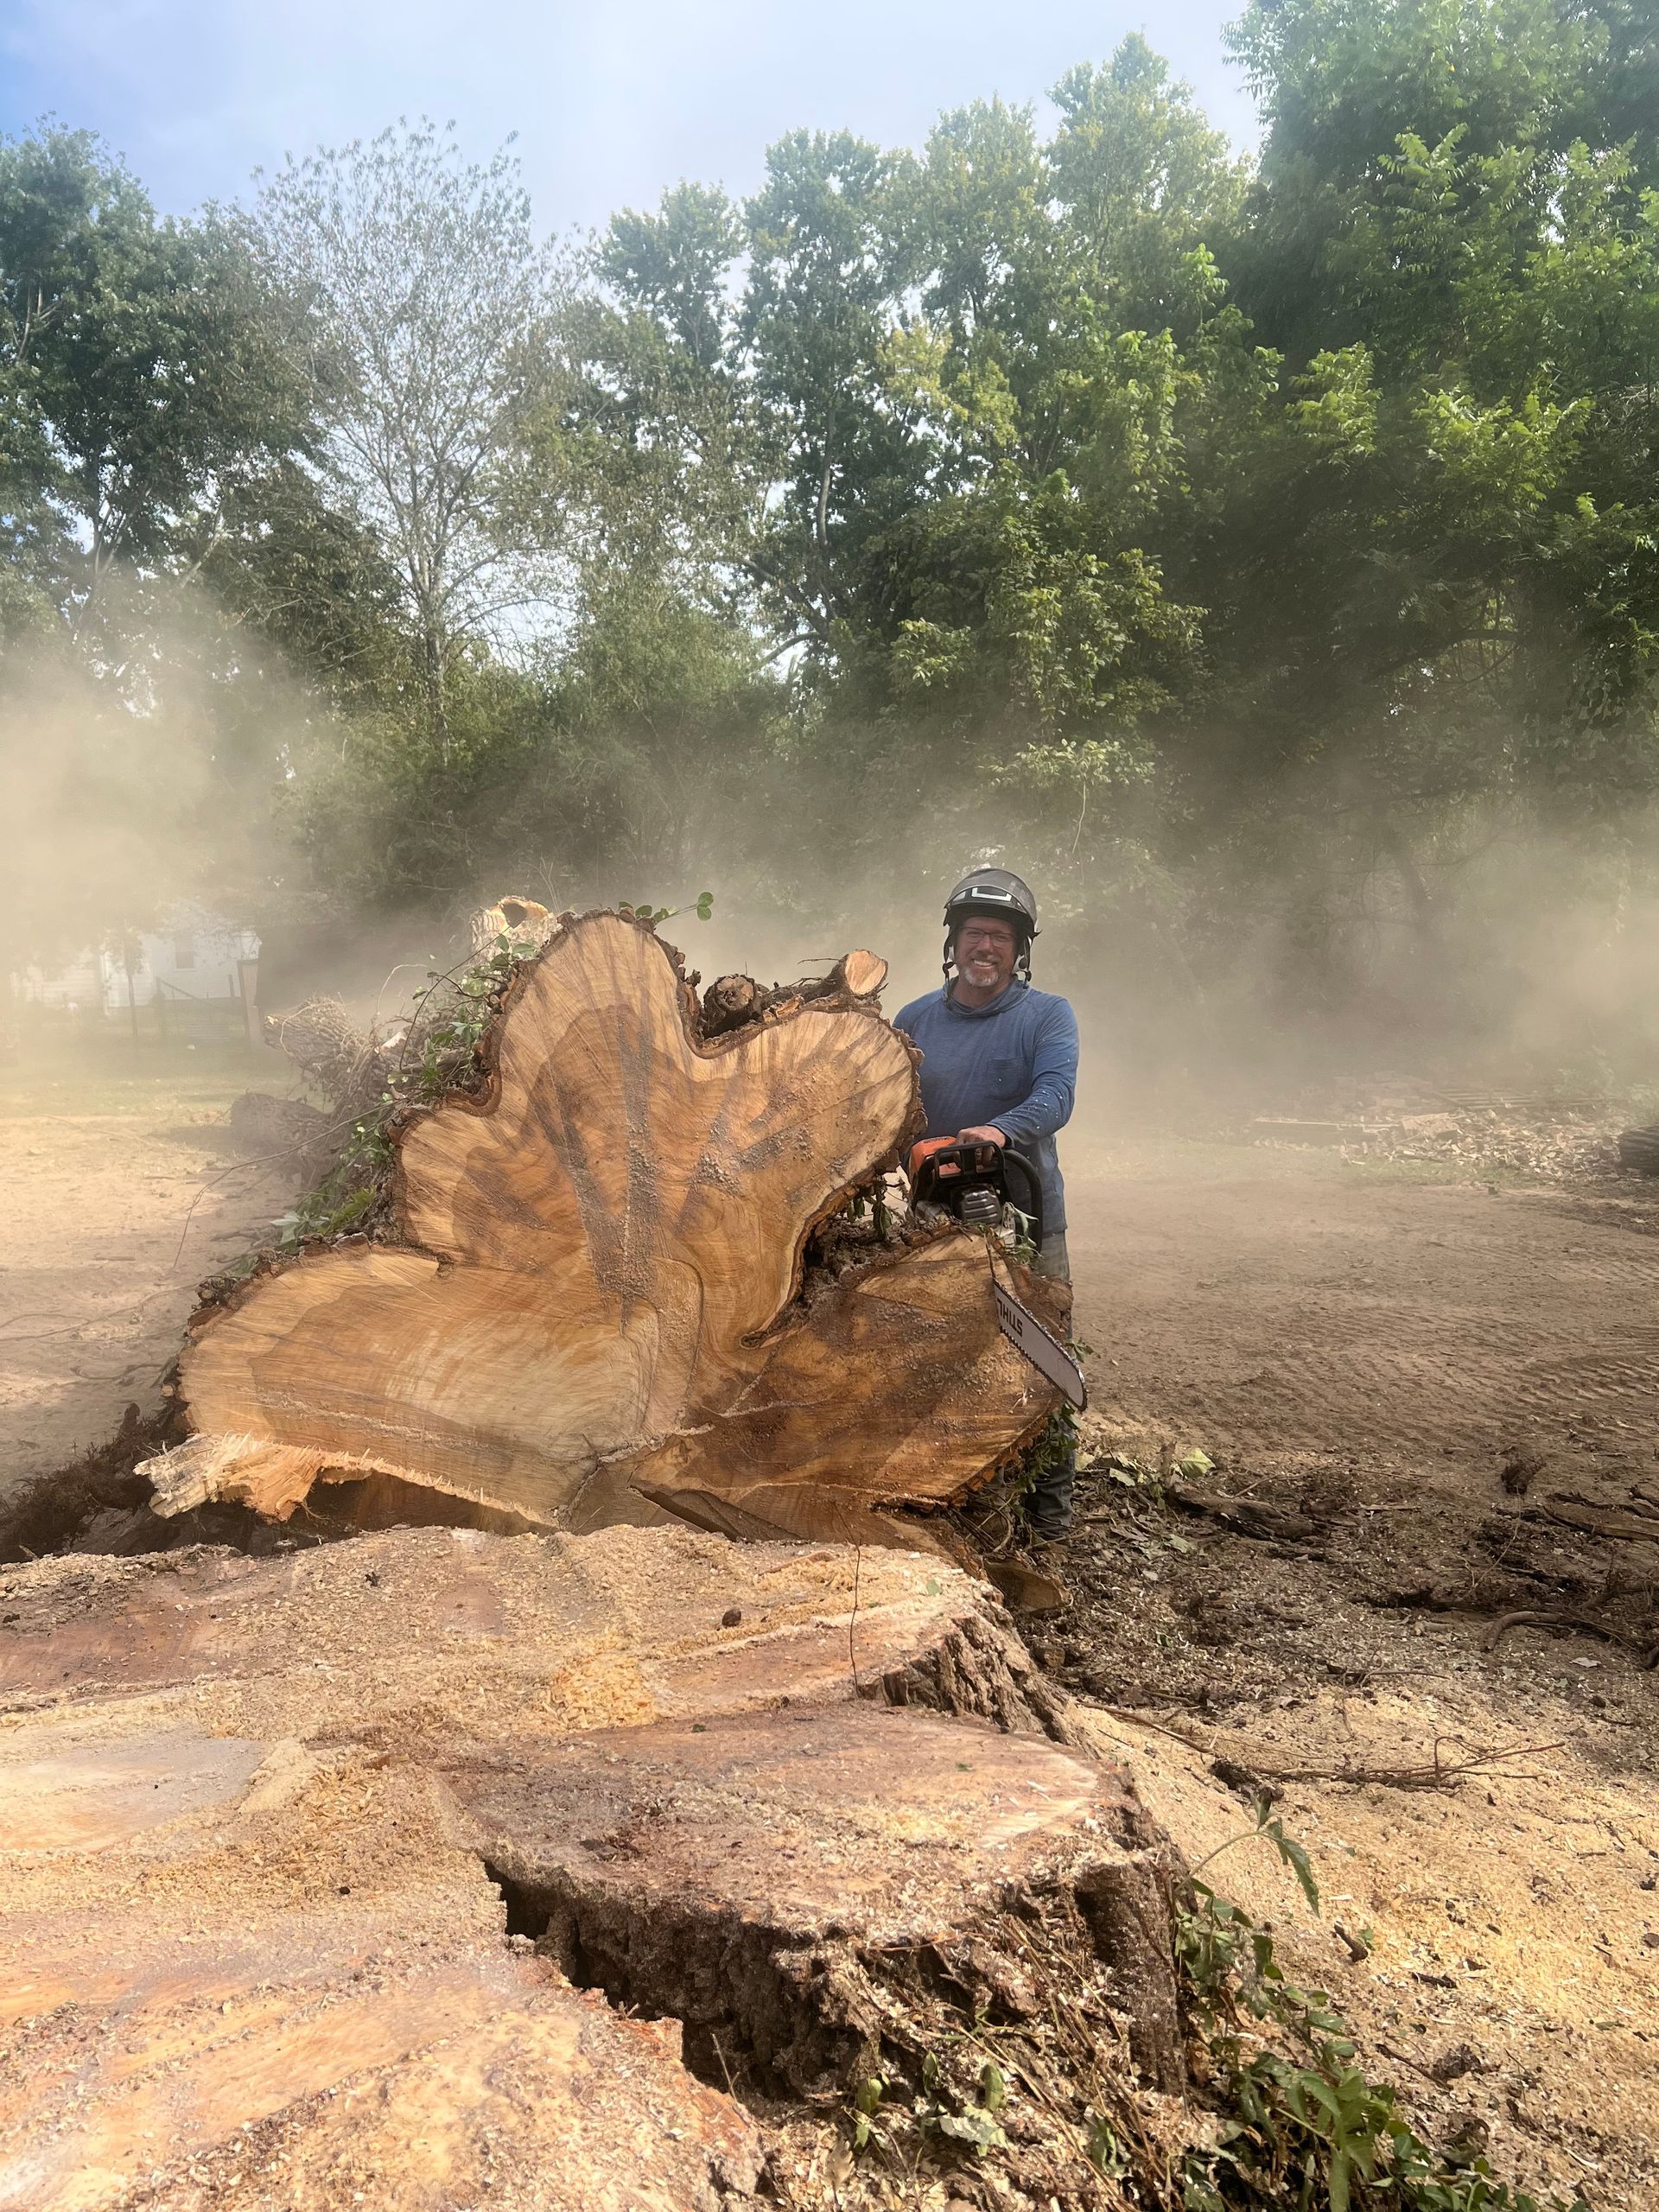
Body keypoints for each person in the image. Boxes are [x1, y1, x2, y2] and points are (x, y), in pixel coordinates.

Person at [894, 868, 1080, 1542]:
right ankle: (945, 1492)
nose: (985, 948)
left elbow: (1057, 1095)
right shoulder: (915, 1018)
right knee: (934, 1356)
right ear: (954, 940)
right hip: (931, 1219)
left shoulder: (1046, 1015)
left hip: (1025, 1213)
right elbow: (889, 1104)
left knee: (1041, 1359)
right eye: (975, 933)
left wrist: (999, 1131)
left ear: (1018, 949)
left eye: (999, 938)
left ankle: (1049, 1514)